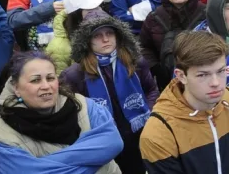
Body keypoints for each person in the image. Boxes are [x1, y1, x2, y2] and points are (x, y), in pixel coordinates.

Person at [140, 31, 229, 174]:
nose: (216, 83)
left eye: (221, 71)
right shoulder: (159, 133)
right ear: (181, 76)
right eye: (203, 75)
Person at [0, 51, 124, 173]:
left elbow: (113, 142)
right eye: (35, 80)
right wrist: (96, 158)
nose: (45, 86)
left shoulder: (84, 105)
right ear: (16, 88)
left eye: (50, 78)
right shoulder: (0, 139)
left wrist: (45, 165)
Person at [60, 11, 160, 172]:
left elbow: (151, 90)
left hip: (139, 134)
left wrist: (147, 113)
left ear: (118, 36)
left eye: (109, 33)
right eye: (97, 35)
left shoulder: (135, 61)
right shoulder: (74, 74)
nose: (105, 39)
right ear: (87, 41)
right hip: (103, 140)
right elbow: (72, 112)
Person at [139, 0, 206, 90]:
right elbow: (144, 47)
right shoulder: (154, 17)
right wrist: (157, 67)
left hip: (203, 82)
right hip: (167, 85)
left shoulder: (206, 14)